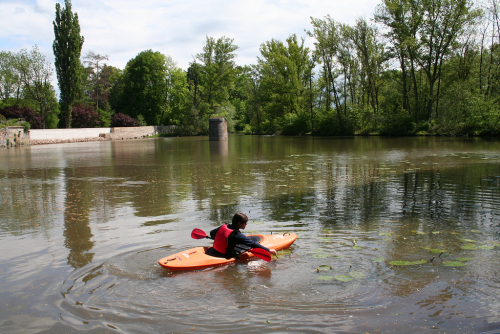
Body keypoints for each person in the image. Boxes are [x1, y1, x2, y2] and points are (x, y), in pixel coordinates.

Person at [206, 213, 278, 259]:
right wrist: (268, 250)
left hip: (213, 251)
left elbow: (212, 233)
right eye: (245, 223)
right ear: (239, 223)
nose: (246, 224)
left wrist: (222, 238)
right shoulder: (237, 235)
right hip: (225, 255)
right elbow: (253, 244)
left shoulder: (224, 226)